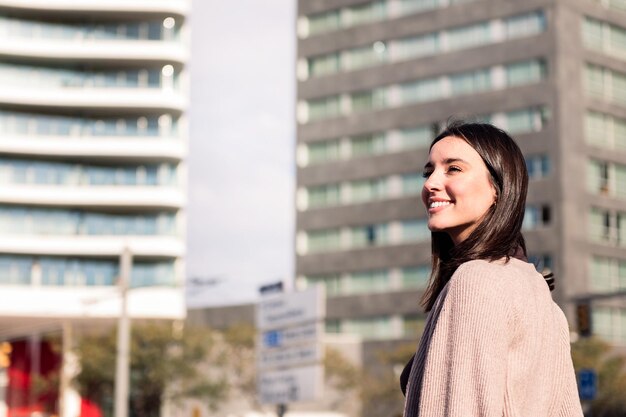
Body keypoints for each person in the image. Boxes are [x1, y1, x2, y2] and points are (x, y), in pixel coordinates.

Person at [400, 122, 583, 416]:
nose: (430, 183)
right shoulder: (543, 301)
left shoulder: (476, 280)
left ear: (498, 188)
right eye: (428, 171)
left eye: (453, 169)